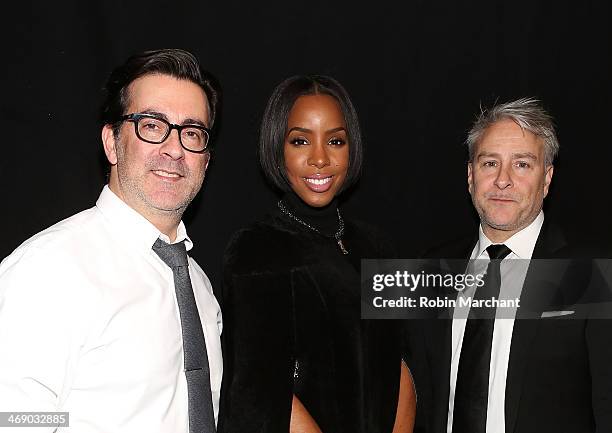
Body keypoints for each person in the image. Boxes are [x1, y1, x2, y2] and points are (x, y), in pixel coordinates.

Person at [0, 48, 223, 433]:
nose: (174, 149)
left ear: (206, 159)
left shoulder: (201, 290)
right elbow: (14, 418)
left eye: (191, 133)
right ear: (111, 142)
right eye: (152, 126)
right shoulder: (49, 270)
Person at [218, 75, 415, 433]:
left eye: (336, 141)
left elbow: (400, 364)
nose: (320, 159)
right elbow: (264, 393)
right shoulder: (257, 249)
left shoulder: (377, 246)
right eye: (300, 141)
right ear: (278, 147)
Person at [405, 98, 612, 433]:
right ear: (471, 175)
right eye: (490, 163)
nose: (502, 180)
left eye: (522, 165)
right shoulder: (430, 269)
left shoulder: (593, 272)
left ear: (546, 179)